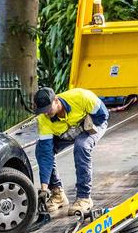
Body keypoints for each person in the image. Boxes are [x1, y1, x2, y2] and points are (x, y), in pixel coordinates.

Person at [34, 87, 109, 215]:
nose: (46, 113)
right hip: (66, 133)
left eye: (48, 109)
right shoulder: (43, 118)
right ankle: (57, 194)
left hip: (91, 126)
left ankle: (84, 198)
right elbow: (46, 154)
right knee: (40, 150)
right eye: (43, 111)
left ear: (56, 100)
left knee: (81, 145)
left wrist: (84, 128)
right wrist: (44, 188)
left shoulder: (82, 97)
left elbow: (103, 116)